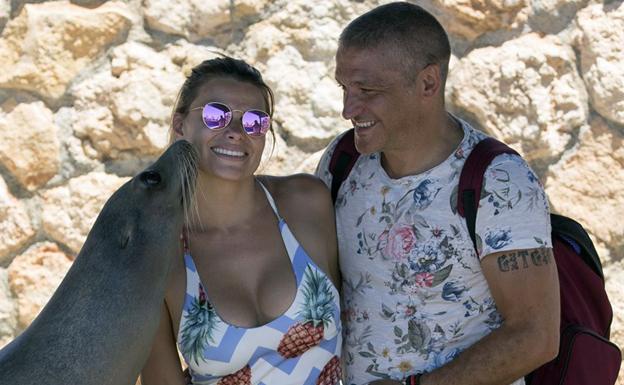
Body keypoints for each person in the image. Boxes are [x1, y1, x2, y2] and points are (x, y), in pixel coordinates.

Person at [315, 3, 560, 385]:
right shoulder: (343, 159)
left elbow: (536, 336)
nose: (348, 109)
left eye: (367, 90)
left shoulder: (498, 180)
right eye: (344, 88)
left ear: (429, 83)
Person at [141, 56, 342, 385]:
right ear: (180, 125)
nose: (236, 132)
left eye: (254, 122)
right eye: (215, 116)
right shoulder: (160, 256)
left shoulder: (305, 203)